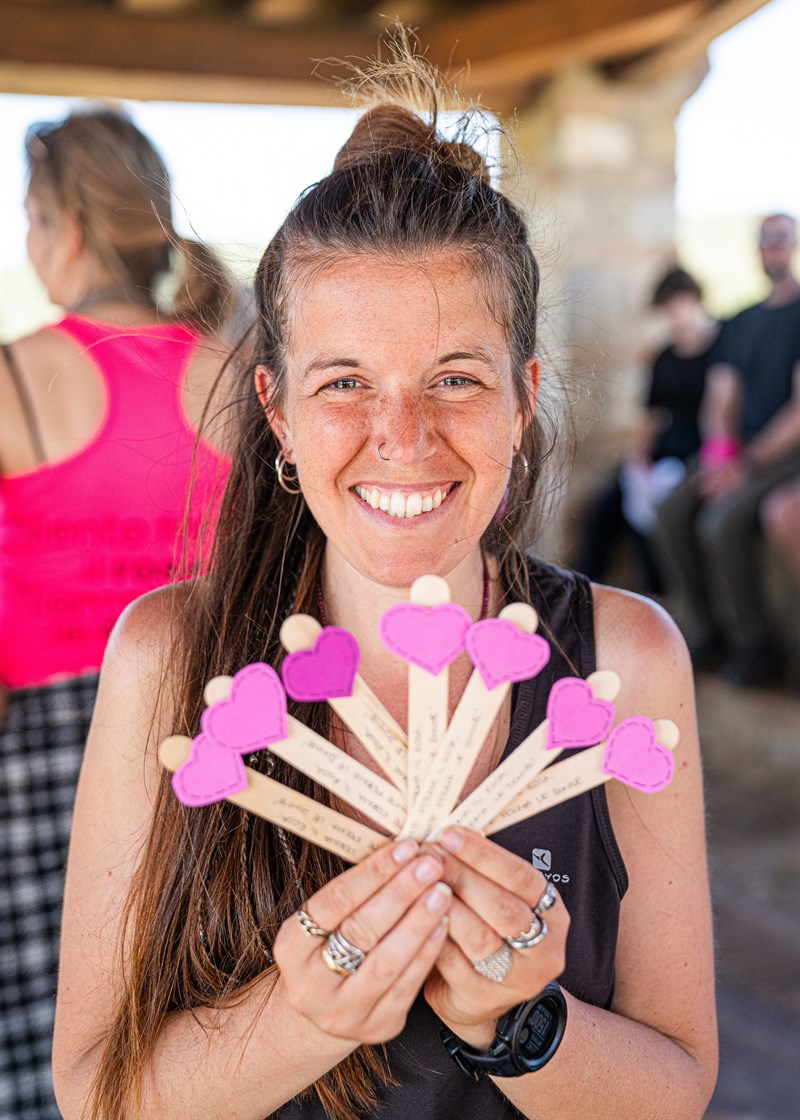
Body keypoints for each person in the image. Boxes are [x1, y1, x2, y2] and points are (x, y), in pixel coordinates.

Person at [52, 62, 717, 1120]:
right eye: (343, 384)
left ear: (520, 401)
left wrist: (520, 1026)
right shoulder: (168, 657)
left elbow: (674, 1090)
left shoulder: (623, 660)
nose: (400, 439)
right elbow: (97, 1097)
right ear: (274, 411)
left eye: (454, 377)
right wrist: (300, 1022)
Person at [0, 109, 237, 1120]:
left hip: (45, 760)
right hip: (217, 739)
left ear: (74, 230)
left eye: (28, 216)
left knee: (54, 1054)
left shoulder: (13, 378)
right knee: (199, 1035)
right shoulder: (237, 372)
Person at [653, 214, 800, 687]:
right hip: (736, 451)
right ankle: (705, 633)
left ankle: (754, 645)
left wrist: (748, 463)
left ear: (794, 245)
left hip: (783, 455)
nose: (771, 248)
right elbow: (722, 395)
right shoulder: (742, 320)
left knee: (721, 521)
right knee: (672, 509)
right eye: (764, 240)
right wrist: (720, 454)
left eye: (780, 239)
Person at [576, 267, 719, 594]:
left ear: (695, 299)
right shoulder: (665, 357)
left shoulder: (722, 348)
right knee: (605, 509)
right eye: (666, 310)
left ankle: (662, 596)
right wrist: (638, 461)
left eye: (678, 306)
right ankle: (584, 592)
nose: (674, 317)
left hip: (698, 457)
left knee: (661, 516)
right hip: (661, 457)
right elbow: (652, 417)